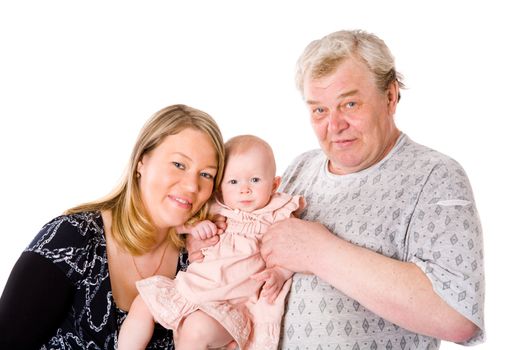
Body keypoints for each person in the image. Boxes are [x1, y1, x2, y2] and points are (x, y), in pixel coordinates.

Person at [254, 30, 485, 349]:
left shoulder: (434, 175)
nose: (334, 126)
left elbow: (456, 316)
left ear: (390, 97)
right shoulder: (299, 169)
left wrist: (318, 251)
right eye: (319, 110)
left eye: (349, 103)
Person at [0, 104, 226, 349]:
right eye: (179, 165)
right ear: (141, 161)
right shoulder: (72, 239)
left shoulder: (199, 260)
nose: (193, 186)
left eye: (206, 174)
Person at [118, 135, 304, 350]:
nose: (244, 189)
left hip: (228, 306)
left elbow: (295, 251)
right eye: (233, 182)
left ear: (274, 184)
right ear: (220, 187)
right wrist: (192, 228)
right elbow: (174, 224)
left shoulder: (277, 214)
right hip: (190, 289)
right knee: (142, 303)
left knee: (196, 330)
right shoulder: (214, 207)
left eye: (254, 180)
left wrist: (280, 273)